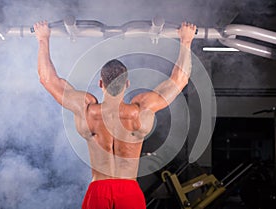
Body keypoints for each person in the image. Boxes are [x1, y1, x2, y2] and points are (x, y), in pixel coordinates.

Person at [34, 20, 196, 209]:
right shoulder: (140, 110)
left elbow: (47, 79)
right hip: (128, 190)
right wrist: (186, 41)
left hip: (98, 188)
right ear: (127, 84)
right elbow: (180, 79)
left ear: (101, 84)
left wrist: (43, 39)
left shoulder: (86, 110)